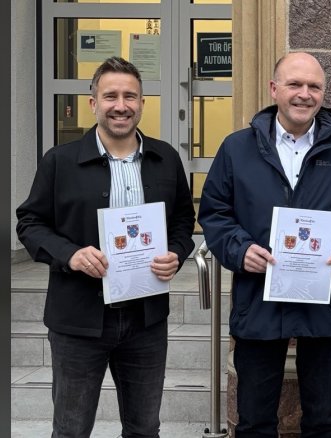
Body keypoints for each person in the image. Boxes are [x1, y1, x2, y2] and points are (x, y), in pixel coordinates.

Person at [197, 51, 331, 437]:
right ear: (274, 89)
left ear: (323, 92)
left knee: (321, 419)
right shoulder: (237, 148)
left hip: (326, 299)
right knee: (254, 420)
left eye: (314, 86)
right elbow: (214, 213)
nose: (304, 94)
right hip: (259, 300)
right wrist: (239, 249)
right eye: (295, 84)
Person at [16, 56, 196, 437]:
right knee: (71, 429)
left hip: (145, 319)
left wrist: (177, 254)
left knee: (145, 428)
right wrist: (71, 255)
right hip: (78, 319)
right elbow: (30, 224)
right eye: (110, 95)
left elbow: (183, 220)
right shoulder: (59, 162)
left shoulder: (165, 160)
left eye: (130, 96)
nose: (121, 105)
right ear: (93, 103)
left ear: (142, 103)